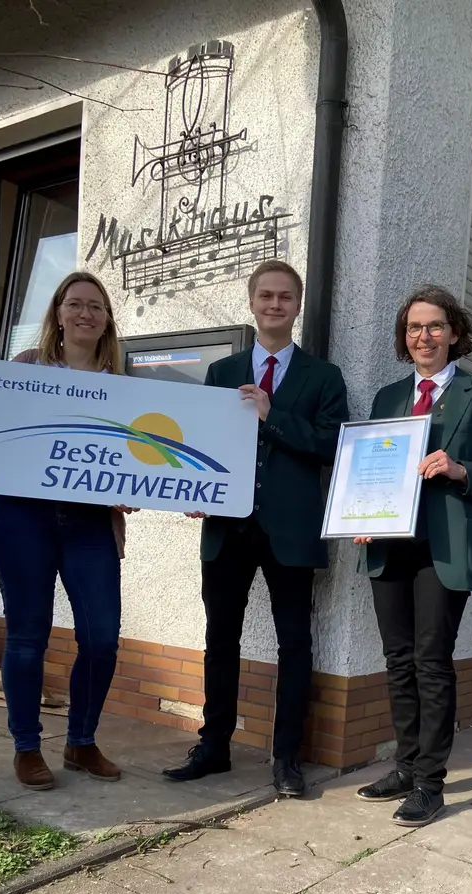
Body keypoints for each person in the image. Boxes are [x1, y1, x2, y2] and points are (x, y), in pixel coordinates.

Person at [0, 271, 130, 790]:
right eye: (76, 304)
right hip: (22, 518)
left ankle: (81, 742)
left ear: (106, 322)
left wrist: (148, 488)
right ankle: (26, 747)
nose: (86, 314)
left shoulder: (121, 390)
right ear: (58, 313)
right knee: (26, 635)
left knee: (102, 637)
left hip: (87, 522)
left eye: (96, 307)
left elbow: (135, 464)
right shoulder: (23, 369)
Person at [162, 260, 349, 798]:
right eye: (265, 295)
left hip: (290, 530)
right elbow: (201, 445)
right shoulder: (221, 371)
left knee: (295, 644)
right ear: (252, 302)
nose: (274, 305)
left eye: (284, 297)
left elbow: (332, 445)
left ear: (297, 306)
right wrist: (195, 492)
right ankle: (214, 745)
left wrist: (274, 416)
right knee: (220, 639)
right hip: (227, 527)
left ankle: (286, 757)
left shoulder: (323, 376)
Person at [352, 285, 472, 827]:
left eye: (435, 326)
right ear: (405, 337)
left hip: (443, 548)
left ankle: (430, 783)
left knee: (431, 663)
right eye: (415, 328)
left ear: (455, 333)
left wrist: (459, 468)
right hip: (389, 547)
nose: (424, 336)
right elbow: (369, 468)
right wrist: (360, 514)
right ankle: (403, 766)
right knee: (398, 663)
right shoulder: (386, 399)